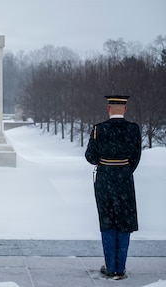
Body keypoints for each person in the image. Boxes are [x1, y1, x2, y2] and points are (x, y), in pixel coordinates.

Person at [85, 95, 141, 280]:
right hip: (124, 179)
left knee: (107, 221)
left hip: (105, 180)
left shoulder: (99, 129)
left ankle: (110, 267)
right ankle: (120, 267)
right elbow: (136, 157)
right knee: (124, 222)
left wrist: (107, 166)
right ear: (125, 109)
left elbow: (90, 157)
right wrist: (123, 170)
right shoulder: (133, 129)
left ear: (109, 109)